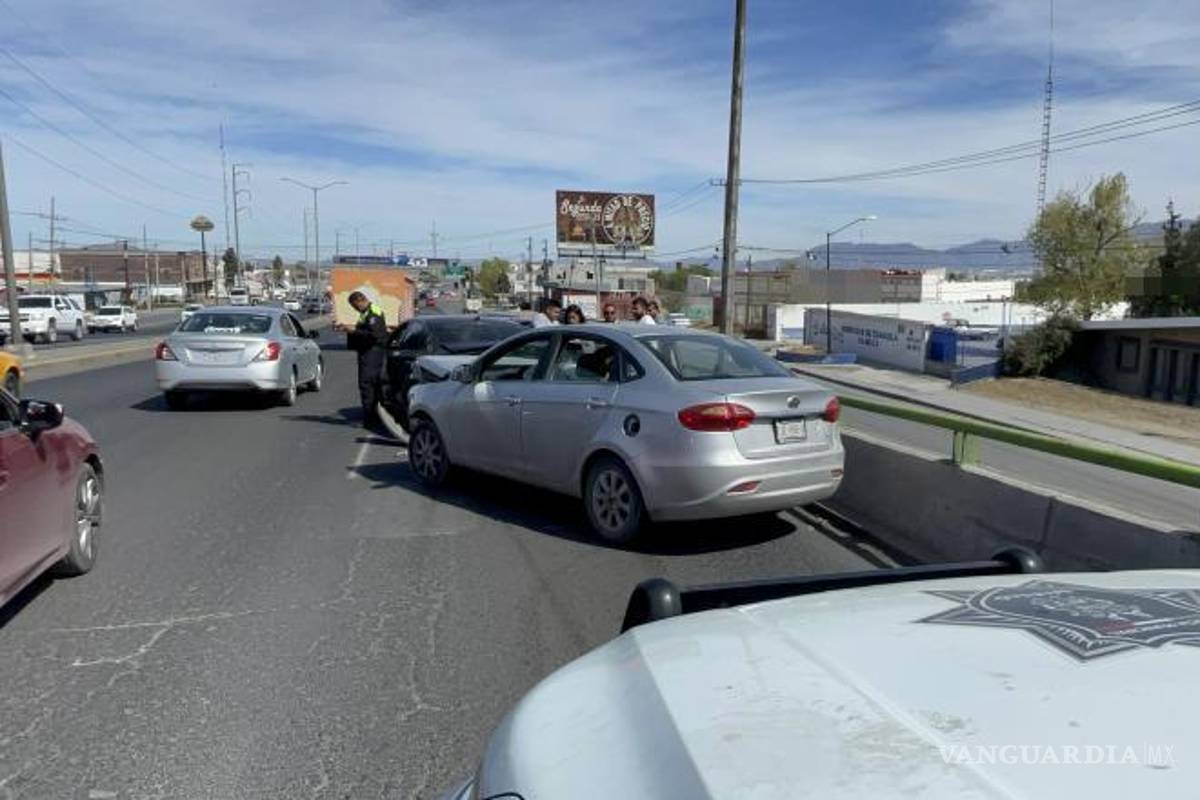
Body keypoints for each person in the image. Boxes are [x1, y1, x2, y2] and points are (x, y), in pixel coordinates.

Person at [341, 291, 388, 428]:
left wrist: (354, 331)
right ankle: (373, 417)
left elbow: (375, 336)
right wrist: (350, 329)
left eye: (354, 306)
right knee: (371, 386)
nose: (354, 309)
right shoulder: (365, 313)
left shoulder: (374, 313)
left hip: (373, 354)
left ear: (360, 301)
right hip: (367, 353)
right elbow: (366, 330)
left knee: (367, 385)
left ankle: (370, 420)